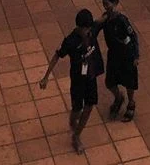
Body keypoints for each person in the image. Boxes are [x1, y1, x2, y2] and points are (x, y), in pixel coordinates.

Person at [39, 8, 103, 154]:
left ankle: (77, 135)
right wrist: (46, 77)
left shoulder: (92, 28)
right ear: (78, 27)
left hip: (91, 76)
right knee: (77, 109)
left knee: (90, 105)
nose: (87, 32)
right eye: (84, 29)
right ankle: (72, 122)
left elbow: (102, 19)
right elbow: (57, 56)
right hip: (78, 80)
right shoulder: (70, 41)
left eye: (88, 29)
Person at [99, 0, 139, 122]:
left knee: (129, 82)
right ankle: (118, 97)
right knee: (110, 82)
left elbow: (133, 37)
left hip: (127, 56)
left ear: (115, 3)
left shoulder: (122, 20)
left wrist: (136, 56)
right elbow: (96, 28)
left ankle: (131, 103)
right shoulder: (105, 18)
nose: (105, 7)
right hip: (113, 55)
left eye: (107, 4)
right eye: (103, 4)